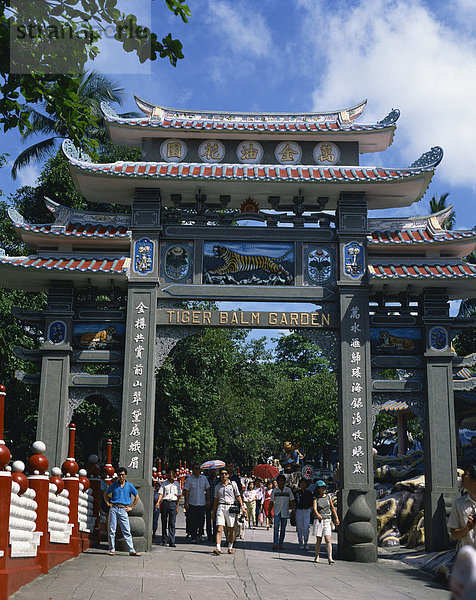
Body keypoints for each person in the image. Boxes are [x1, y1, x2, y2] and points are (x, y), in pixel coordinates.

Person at [103, 467, 141, 556]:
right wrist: (108, 503)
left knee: (126, 530)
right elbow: (105, 493)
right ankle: (112, 549)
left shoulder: (129, 486)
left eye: (122, 475)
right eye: (119, 475)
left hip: (124, 509)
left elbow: (137, 496)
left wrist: (131, 507)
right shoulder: (114, 485)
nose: (121, 477)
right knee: (112, 529)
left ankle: (131, 550)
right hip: (114, 508)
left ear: (125, 475)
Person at [211, 467, 244, 555]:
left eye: (225, 474)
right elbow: (216, 500)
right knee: (219, 528)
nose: (223, 475)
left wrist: (242, 507)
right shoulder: (217, 486)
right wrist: (213, 512)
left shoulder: (233, 484)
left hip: (231, 507)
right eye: (222, 474)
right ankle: (218, 548)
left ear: (228, 475)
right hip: (221, 507)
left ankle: (230, 546)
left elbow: (238, 496)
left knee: (231, 529)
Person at [448, 464, 476, 548]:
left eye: (465, 474)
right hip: (469, 557)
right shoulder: (459, 503)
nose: (462, 476)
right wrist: (467, 528)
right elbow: (454, 535)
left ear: (474, 480)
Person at [312, 480, 339, 564]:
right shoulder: (315, 498)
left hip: (327, 519)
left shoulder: (328, 497)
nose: (323, 489)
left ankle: (330, 557)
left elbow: (332, 508)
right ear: (318, 489)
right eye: (322, 487)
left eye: (324, 487)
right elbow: (315, 509)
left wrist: (336, 518)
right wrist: (318, 514)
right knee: (319, 539)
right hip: (319, 520)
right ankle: (317, 555)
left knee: (328, 539)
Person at [183, 462, 210, 543]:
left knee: (201, 520)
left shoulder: (204, 478)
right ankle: (193, 536)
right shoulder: (189, 480)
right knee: (193, 520)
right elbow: (186, 491)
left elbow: (207, 490)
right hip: (192, 503)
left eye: (198, 468)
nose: (197, 470)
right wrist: (186, 502)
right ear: (192, 470)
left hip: (202, 503)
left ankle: (201, 534)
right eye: (195, 468)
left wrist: (208, 500)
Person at [156, 467, 181, 547]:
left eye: (172, 474)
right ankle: (164, 539)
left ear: (174, 475)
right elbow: (161, 493)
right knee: (164, 522)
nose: (171, 475)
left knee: (172, 523)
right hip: (165, 503)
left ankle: (172, 541)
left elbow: (178, 496)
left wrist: (177, 507)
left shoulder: (177, 484)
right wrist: (158, 502)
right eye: (169, 474)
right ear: (167, 475)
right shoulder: (164, 484)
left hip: (173, 503)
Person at [269, 474, 294, 550]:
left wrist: (293, 510)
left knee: (283, 528)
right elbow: (271, 502)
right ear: (278, 482)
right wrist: (270, 512)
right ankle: (275, 543)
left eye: (283, 481)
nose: (281, 482)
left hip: (285, 511)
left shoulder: (288, 490)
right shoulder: (275, 491)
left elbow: (292, 500)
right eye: (280, 481)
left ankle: (281, 543)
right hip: (277, 511)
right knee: (276, 528)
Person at [293, 478, 313, 550]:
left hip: (307, 510)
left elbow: (311, 503)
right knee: (299, 527)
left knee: (306, 527)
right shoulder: (296, 493)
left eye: (304, 483)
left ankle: (306, 542)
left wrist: (311, 510)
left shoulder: (309, 493)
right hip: (299, 511)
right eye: (301, 483)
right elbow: (294, 502)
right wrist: (294, 510)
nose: (303, 484)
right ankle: (300, 542)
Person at [206, 467, 218, 541]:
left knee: (216, 519)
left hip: (216, 502)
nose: (213, 472)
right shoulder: (206, 480)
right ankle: (209, 535)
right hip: (208, 501)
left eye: (214, 470)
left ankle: (215, 535)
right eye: (211, 471)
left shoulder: (218, 480)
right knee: (208, 519)